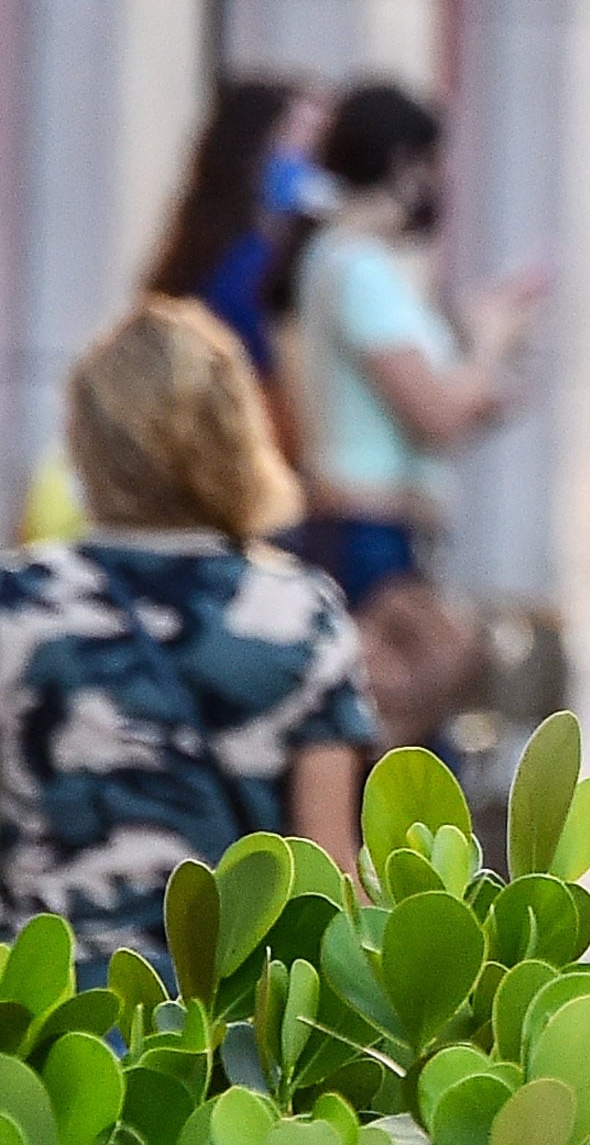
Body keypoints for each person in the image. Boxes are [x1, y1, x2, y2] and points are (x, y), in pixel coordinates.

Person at [0, 300, 371, 975]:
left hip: (44, 1024)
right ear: (237, 436)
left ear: (87, 440)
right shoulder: (299, 612)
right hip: (225, 1035)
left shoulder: (20, 606)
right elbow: (327, 880)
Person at [272, 81, 545, 747]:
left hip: (374, 527)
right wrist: (487, 339)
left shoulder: (333, 260)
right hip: (370, 533)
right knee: (398, 736)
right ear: (403, 163)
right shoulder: (357, 266)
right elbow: (436, 411)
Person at [143, 74, 326, 384]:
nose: (313, 153)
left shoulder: (296, 249)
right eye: (301, 133)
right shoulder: (237, 261)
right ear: (254, 142)